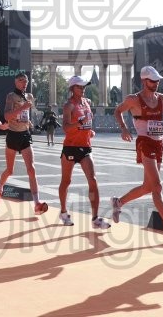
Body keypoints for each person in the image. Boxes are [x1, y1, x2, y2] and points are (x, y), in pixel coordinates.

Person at [111, 66, 163, 241]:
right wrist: (124, 129)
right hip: (145, 143)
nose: (156, 83)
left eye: (157, 80)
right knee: (157, 186)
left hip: (158, 143)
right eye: (152, 81)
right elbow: (117, 111)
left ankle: (118, 203)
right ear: (143, 81)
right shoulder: (134, 99)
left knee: (148, 187)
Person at [58, 76, 111, 229]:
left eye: (84, 86)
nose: (83, 89)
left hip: (86, 147)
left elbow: (87, 123)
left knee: (93, 180)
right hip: (71, 147)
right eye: (79, 87)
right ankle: (63, 212)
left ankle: (95, 218)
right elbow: (66, 128)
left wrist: (89, 131)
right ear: (72, 88)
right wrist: (81, 123)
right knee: (66, 181)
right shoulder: (69, 105)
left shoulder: (87, 102)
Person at [0, 72, 49, 215]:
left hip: (25, 135)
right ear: (16, 82)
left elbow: (25, 115)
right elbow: (6, 116)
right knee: (10, 170)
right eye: (21, 80)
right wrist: (22, 108)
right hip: (12, 135)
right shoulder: (11, 96)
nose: (24, 83)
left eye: (26, 81)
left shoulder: (29, 96)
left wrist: (29, 122)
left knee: (31, 169)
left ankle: (36, 203)